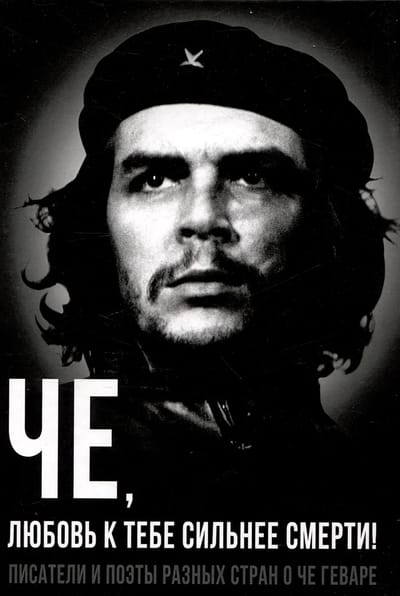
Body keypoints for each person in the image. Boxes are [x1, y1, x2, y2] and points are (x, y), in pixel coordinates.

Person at [23, 20, 394, 518]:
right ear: (98, 224)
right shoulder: (31, 461)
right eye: (155, 178)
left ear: (324, 226)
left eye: (252, 177)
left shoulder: (360, 482)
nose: (202, 219)